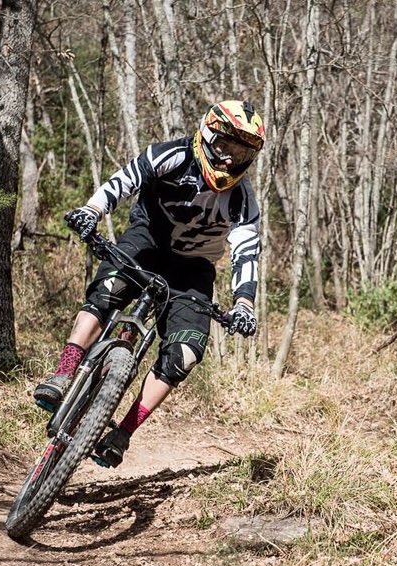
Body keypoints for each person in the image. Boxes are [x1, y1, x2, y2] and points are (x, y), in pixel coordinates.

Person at [34, 100, 265, 467]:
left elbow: (246, 252)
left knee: (185, 353)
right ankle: (64, 372)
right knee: (106, 294)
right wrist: (91, 211)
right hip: (147, 242)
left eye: (240, 154)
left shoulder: (243, 199)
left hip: (193, 269)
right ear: (208, 135)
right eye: (224, 147)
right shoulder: (173, 155)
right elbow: (125, 180)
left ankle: (122, 433)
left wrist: (244, 305)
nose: (228, 160)